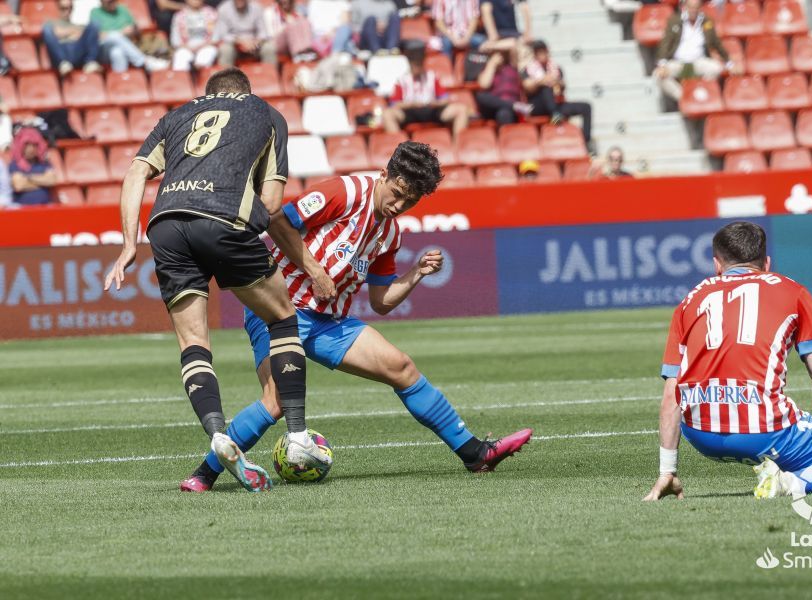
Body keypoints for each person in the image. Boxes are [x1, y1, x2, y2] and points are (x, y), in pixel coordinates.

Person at [180, 141, 533, 492]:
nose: (399, 206)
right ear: (383, 175)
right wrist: (316, 271)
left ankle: (475, 453)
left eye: (410, 202)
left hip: (327, 323)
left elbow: (380, 302)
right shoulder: (345, 192)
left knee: (402, 367)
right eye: (396, 194)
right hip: (277, 310)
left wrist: (416, 274)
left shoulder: (389, 235)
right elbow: (276, 221)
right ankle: (203, 475)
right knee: (275, 403)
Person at [104, 68, 333, 493]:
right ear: (245, 93)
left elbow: (135, 173)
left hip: (165, 225)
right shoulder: (267, 115)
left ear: (208, 95)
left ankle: (217, 434)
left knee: (194, 344)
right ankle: (299, 435)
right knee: (282, 317)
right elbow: (271, 201)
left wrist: (128, 243)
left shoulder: (174, 117)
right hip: (224, 218)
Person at [644, 221, 812, 501]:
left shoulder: (689, 300)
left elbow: (671, 395)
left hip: (701, 435)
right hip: (765, 431)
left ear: (717, 264)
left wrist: (667, 471)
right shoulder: (793, 291)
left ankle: (787, 475)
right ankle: (792, 484)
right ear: (766, 263)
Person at [654, 0, 736, 102]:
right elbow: (666, 42)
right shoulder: (674, 20)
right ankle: (684, 97)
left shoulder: (706, 21)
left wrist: (729, 63)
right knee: (659, 75)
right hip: (678, 63)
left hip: (699, 61)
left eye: (696, 7)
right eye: (691, 7)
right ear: (685, 7)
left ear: (700, 8)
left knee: (716, 68)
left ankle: (701, 91)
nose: (693, 10)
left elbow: (717, 43)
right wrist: (662, 65)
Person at [382, 43, 469, 140]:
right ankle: (403, 150)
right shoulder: (402, 80)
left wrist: (435, 103)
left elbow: (445, 99)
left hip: (431, 110)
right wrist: (412, 104)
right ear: (410, 64)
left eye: (420, 63)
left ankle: (459, 145)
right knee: (387, 114)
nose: (418, 67)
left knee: (461, 109)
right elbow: (395, 104)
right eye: (416, 64)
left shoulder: (432, 77)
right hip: (410, 112)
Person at [521, 39, 593, 151]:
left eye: (543, 51)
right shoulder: (528, 70)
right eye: (538, 52)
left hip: (556, 105)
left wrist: (556, 82)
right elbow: (527, 87)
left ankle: (584, 141)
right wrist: (543, 80)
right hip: (537, 106)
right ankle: (555, 115)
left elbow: (562, 86)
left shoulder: (556, 69)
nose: (542, 55)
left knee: (586, 107)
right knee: (546, 86)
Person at [90, 0, 169, 72]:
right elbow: (99, 36)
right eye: (109, 1)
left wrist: (131, 30)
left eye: (114, 1)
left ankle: (120, 80)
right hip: (104, 49)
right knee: (114, 35)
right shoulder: (95, 12)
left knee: (117, 52)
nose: (112, 2)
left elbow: (135, 29)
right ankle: (144, 62)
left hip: (125, 45)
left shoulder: (123, 9)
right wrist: (121, 32)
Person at [42, 0, 102, 76]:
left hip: (76, 50)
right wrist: (73, 32)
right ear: (57, 7)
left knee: (94, 24)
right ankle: (63, 64)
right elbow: (52, 33)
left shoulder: (77, 24)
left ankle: (90, 62)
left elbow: (86, 33)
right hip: (61, 52)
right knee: (47, 29)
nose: (67, 11)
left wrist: (64, 33)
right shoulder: (51, 22)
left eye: (70, 8)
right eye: (63, 8)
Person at [475, 48, 531, 127]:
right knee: (481, 96)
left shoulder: (512, 65)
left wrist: (493, 45)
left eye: (501, 54)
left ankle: (508, 138)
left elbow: (513, 44)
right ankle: (514, 105)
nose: (499, 56)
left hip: (509, 107)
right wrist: (492, 64)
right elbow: (484, 85)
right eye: (496, 54)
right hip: (494, 106)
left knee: (504, 113)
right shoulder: (487, 68)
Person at [214, 0, 277, 66]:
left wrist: (255, 42)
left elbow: (263, 32)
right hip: (234, 44)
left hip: (254, 44)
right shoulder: (223, 9)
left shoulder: (257, 8)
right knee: (225, 50)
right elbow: (223, 35)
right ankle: (226, 76)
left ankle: (270, 75)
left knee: (269, 48)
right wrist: (241, 42)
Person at [9, 127, 57, 206]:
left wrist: (27, 178)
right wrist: (42, 181)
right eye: (27, 145)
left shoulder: (44, 163)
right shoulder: (14, 164)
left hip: (45, 207)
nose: (31, 149)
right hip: (22, 209)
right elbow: (19, 185)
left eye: (34, 145)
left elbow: (51, 181)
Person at [170, 0, 218, 71]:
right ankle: (182, 80)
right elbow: (175, 41)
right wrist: (188, 47)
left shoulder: (212, 14)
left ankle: (203, 78)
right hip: (186, 47)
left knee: (208, 53)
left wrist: (201, 46)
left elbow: (216, 38)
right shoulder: (179, 16)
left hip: (206, 46)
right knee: (180, 56)